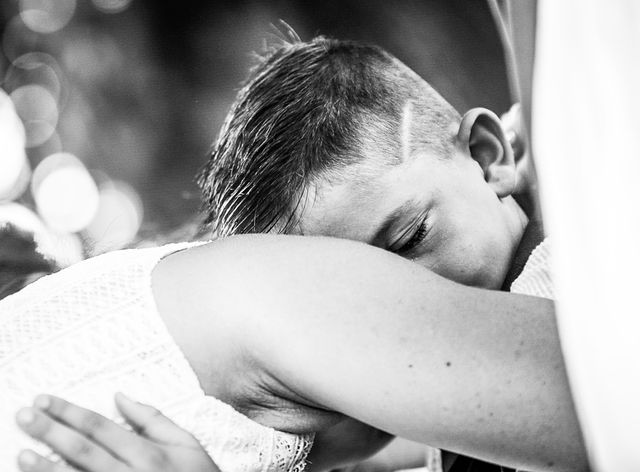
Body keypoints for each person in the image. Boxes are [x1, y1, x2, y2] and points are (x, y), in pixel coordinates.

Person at [4, 38, 585, 471]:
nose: (396, 298)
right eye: (349, 280)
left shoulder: (584, 247)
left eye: (409, 239)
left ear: (486, 157)